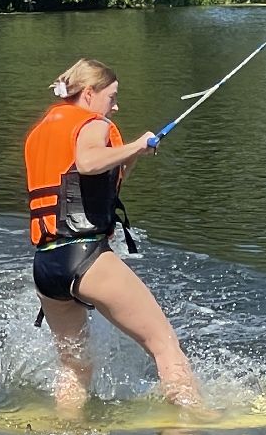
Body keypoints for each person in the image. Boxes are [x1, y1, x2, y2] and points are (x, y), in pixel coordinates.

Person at [24, 58, 202, 412]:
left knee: (75, 367)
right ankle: (192, 423)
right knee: (164, 346)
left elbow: (95, 185)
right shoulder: (94, 124)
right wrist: (136, 145)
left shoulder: (42, 130)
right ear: (89, 94)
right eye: (112, 97)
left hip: (47, 265)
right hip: (85, 257)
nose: (115, 107)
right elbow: (88, 163)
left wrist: (132, 156)